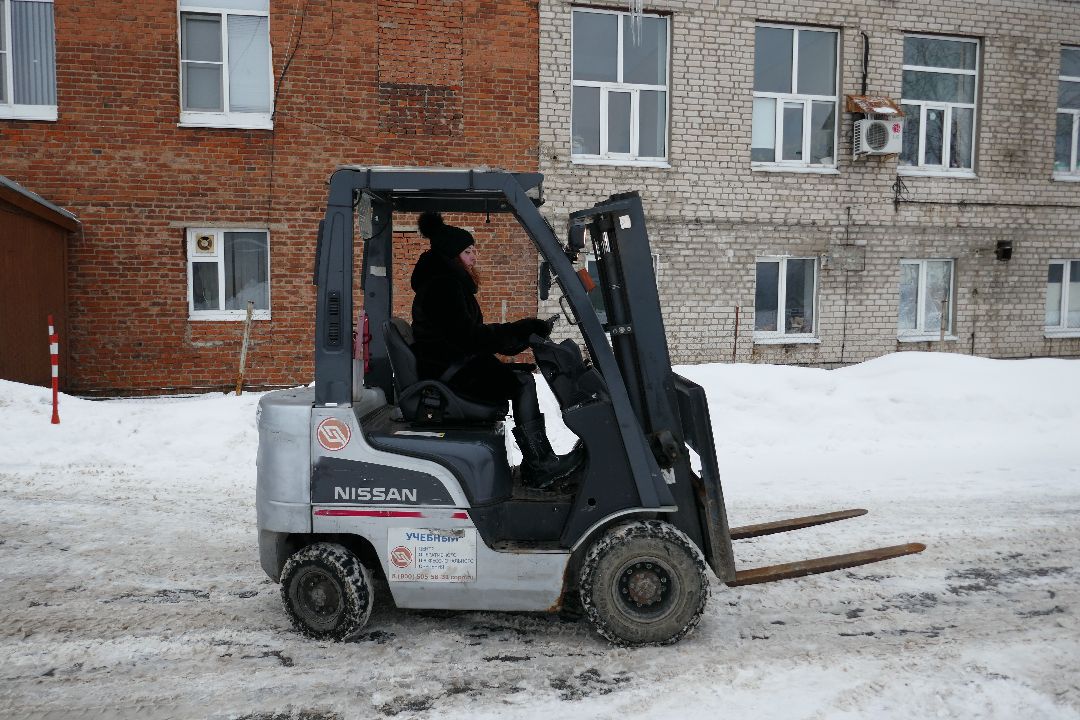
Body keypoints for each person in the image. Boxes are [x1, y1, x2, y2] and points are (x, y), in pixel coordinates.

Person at [410, 211, 583, 489]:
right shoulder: (444, 287)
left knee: (520, 377)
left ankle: (536, 463)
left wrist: (518, 335)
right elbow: (470, 337)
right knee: (522, 383)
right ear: (452, 255)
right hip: (450, 371)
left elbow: (468, 336)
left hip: (453, 363)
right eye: (468, 252)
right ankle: (540, 464)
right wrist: (519, 331)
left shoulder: (444, 284)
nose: (473, 258)